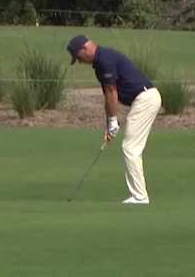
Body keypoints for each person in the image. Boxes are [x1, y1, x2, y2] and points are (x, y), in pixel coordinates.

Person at [67, 35, 162, 205]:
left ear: (85, 48)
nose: (79, 62)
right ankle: (139, 195)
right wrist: (111, 124)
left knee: (130, 147)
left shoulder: (105, 60)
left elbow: (112, 92)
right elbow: (108, 97)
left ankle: (140, 196)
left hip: (146, 98)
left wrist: (112, 121)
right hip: (142, 99)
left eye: (78, 57)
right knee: (130, 147)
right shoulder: (100, 63)